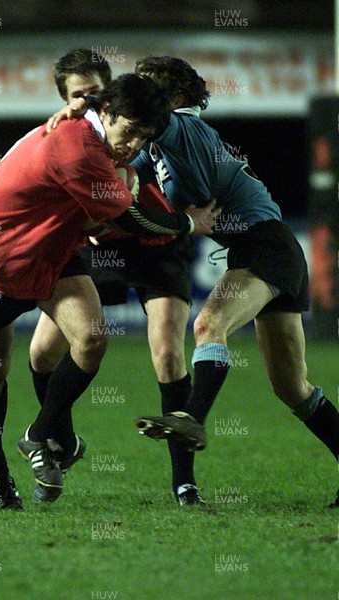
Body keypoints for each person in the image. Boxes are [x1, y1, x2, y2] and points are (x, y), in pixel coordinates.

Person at [0, 73, 220, 510]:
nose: (133, 145)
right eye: (129, 131)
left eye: (143, 137)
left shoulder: (94, 122)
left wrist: (87, 102)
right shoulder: (78, 150)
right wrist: (190, 224)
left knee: (92, 338)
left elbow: (106, 116)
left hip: (54, 253)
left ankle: (40, 435)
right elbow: (133, 219)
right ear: (107, 114)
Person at [128, 56, 339, 508]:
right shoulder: (161, 142)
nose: (139, 99)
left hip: (267, 247)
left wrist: (172, 216)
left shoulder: (183, 129)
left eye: (150, 91)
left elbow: (189, 198)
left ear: (177, 100)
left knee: (207, 325)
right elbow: (130, 172)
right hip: (266, 251)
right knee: (293, 390)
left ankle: (192, 417)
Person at [30, 49, 213, 507]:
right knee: (42, 351)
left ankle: (184, 484)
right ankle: (56, 442)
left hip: (160, 246)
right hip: (104, 246)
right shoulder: (84, 129)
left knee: (168, 354)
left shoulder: (169, 127)